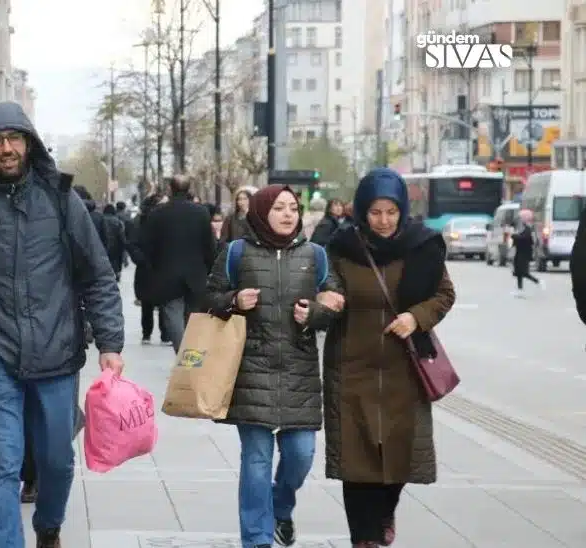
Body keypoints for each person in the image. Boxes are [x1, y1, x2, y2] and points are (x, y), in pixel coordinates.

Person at [0, 101, 124, 548]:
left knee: (57, 459)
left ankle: (49, 526)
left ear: (29, 144)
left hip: (57, 350)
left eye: (14, 138)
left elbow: (96, 273)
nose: (6, 148)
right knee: (2, 461)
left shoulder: (60, 198)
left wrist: (110, 342)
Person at [203, 185, 345, 548]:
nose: (287, 214)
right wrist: (234, 300)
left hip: (299, 374)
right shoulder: (237, 252)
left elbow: (334, 303)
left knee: (301, 456)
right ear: (262, 211)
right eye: (279, 207)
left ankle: (281, 505)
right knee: (255, 463)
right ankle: (257, 540)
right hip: (251, 371)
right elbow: (210, 299)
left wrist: (314, 313)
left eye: (293, 208)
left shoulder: (316, 256)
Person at [323, 168, 455, 548]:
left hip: (405, 367)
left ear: (402, 211)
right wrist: (323, 302)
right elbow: (327, 287)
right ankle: (363, 538)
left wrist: (416, 317)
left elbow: (444, 295)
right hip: (352, 366)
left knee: (397, 456)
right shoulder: (342, 248)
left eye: (391, 212)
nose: (383, 221)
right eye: (376, 212)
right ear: (362, 210)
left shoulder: (423, 245)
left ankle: (385, 511)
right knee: (357, 460)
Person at [138, 175, 217, 352]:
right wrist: (210, 268)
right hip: (195, 274)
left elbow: (147, 245)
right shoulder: (201, 212)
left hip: (167, 274)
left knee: (172, 315)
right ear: (189, 189)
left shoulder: (157, 213)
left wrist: (153, 268)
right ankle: (191, 354)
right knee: (194, 317)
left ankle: (183, 354)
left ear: (170, 189)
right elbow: (209, 245)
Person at [127, 193, 171, 345]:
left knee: (165, 302)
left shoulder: (168, 221)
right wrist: (141, 260)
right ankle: (147, 333)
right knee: (147, 303)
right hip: (146, 268)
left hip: (164, 267)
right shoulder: (139, 222)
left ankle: (165, 334)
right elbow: (132, 244)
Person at [511, 208, 542, 297]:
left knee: (524, 272)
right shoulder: (521, 228)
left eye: (521, 218)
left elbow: (524, 238)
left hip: (525, 253)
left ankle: (538, 282)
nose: (519, 219)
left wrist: (515, 236)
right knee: (518, 272)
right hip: (519, 252)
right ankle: (520, 290)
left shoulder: (528, 229)